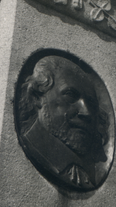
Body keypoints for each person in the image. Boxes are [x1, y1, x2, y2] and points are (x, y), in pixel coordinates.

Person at [17, 56, 109, 190]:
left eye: (91, 103)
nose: (86, 112)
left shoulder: (92, 172)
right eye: (70, 95)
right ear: (37, 97)